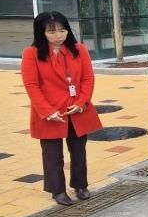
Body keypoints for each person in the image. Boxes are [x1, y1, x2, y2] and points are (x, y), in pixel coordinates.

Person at [21, 11, 102, 206]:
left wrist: (81, 102)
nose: (58, 35)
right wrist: (47, 111)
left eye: (62, 30)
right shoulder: (32, 53)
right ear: (41, 33)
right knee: (52, 154)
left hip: (76, 109)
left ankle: (80, 185)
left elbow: (88, 78)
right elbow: (31, 85)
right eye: (52, 32)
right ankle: (57, 190)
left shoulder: (79, 49)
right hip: (50, 111)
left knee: (79, 151)